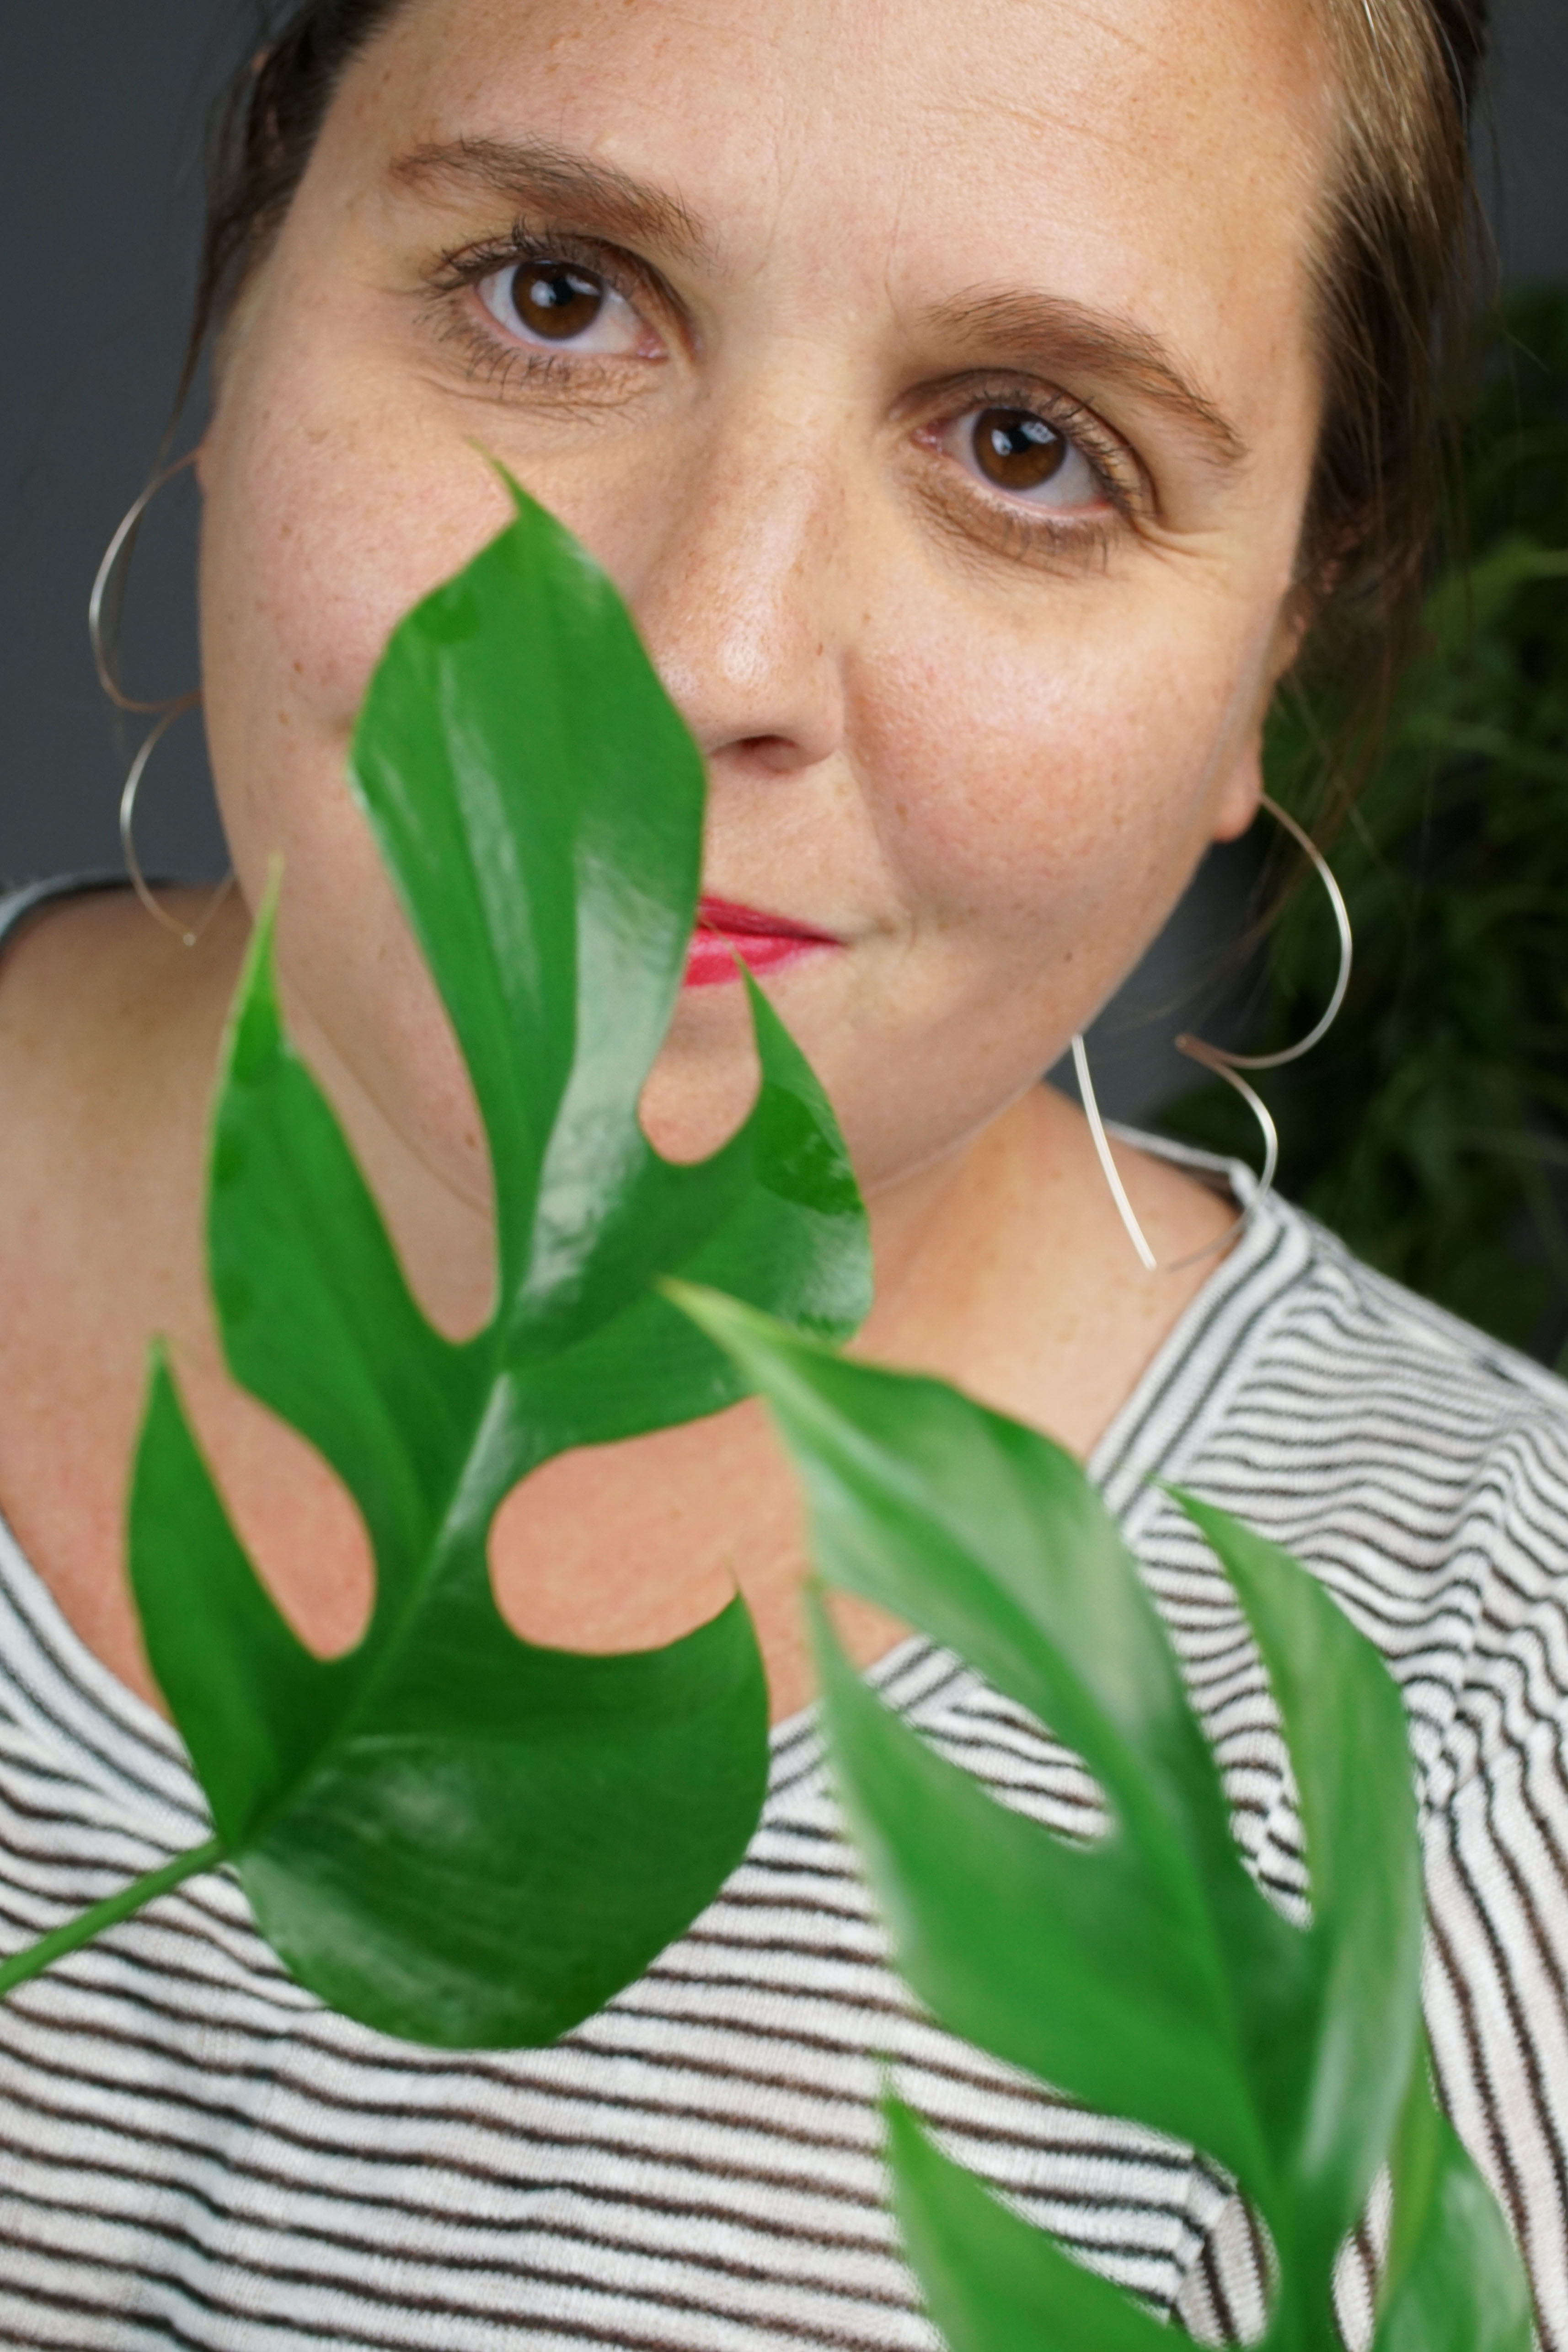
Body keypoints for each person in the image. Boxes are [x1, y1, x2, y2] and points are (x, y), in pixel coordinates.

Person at [0, 0, 1562, 2343]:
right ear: (252, 284)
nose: (705, 647)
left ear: (1277, 654)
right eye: (557, 292)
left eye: (1031, 446)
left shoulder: (1480, 1757)